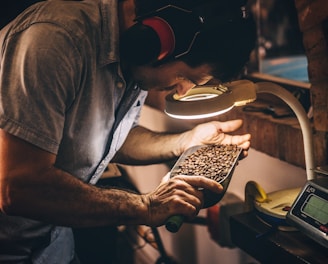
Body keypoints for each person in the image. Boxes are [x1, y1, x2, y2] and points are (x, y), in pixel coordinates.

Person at [0, 0, 256, 263]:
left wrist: (186, 141)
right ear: (161, 39)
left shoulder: (135, 60)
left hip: (52, 244)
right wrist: (145, 206)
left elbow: (113, 140)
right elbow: (20, 187)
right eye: (186, 78)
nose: (182, 91)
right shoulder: (55, 39)